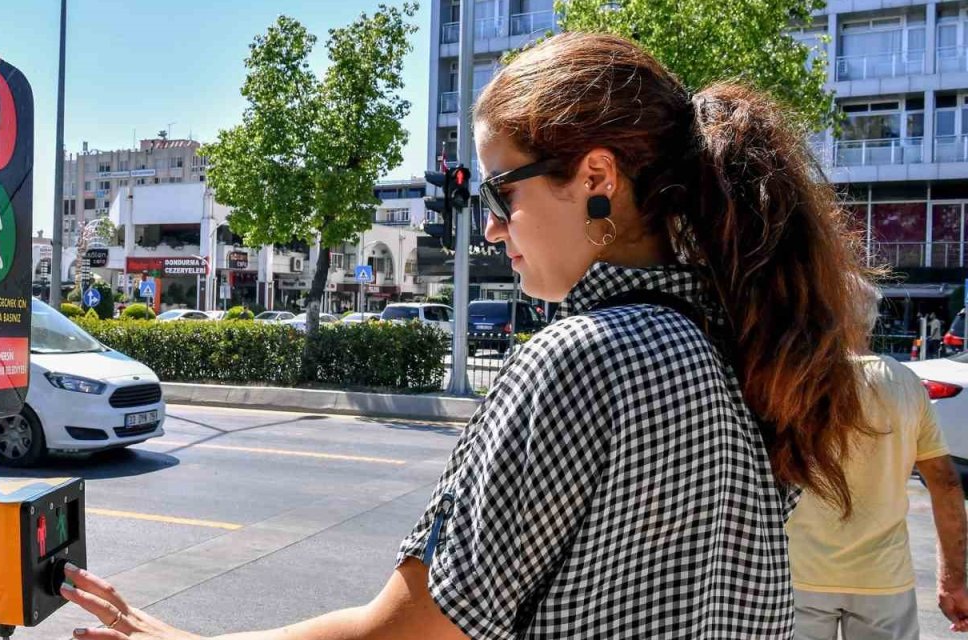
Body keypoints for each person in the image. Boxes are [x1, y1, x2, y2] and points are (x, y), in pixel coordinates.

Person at [60, 32, 875, 639]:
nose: (489, 228)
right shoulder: (740, 352)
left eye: (502, 193)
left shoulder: (584, 358)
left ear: (596, 178)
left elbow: (413, 632)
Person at [789, 286, 968, 639]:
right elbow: (945, 484)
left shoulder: (794, 382)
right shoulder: (905, 383)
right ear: (870, 320)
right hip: (884, 577)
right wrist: (953, 581)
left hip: (801, 573)